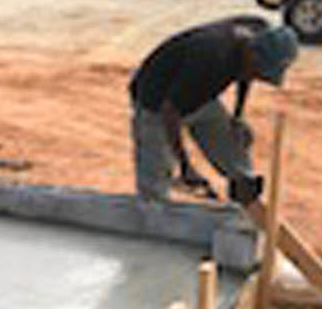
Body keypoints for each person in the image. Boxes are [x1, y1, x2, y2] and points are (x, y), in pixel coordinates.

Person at [128, 17, 298, 204]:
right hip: (156, 102)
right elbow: (170, 112)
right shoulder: (211, 58)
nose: (257, 76)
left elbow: (246, 75)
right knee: (155, 181)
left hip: (197, 95)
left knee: (235, 138)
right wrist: (186, 166)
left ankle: (243, 187)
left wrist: (237, 116)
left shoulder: (256, 31)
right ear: (251, 54)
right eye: (258, 71)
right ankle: (154, 213)